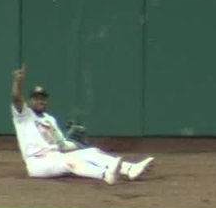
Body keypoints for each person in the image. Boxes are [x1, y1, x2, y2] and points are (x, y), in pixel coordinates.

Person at [10, 64, 154, 184]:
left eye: (43, 98)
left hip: (55, 157)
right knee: (71, 161)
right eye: (36, 98)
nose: (40, 101)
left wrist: (77, 144)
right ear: (30, 101)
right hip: (37, 163)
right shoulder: (24, 116)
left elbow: (63, 145)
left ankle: (129, 169)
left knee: (92, 152)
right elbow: (16, 98)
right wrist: (18, 82)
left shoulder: (50, 120)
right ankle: (105, 175)